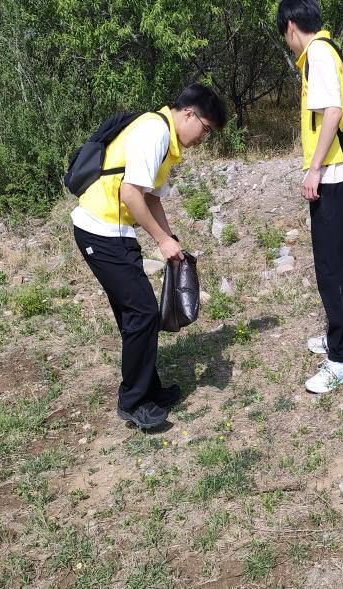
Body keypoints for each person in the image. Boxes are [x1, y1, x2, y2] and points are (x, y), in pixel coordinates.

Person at [71, 83, 227, 428]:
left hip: (114, 231)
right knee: (142, 313)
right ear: (189, 115)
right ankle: (133, 401)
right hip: (100, 230)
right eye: (205, 129)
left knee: (136, 314)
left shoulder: (166, 138)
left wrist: (170, 239)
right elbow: (130, 194)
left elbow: (151, 197)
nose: (204, 138)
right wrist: (160, 240)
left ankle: (149, 389)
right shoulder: (154, 132)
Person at [277, 0, 343, 393]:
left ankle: (339, 362)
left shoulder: (319, 55)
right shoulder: (323, 51)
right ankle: (339, 338)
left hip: (333, 176)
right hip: (335, 174)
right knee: (335, 264)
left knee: (330, 268)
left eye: (285, 35)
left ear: (291, 26)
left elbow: (333, 112)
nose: (288, 42)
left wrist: (314, 169)